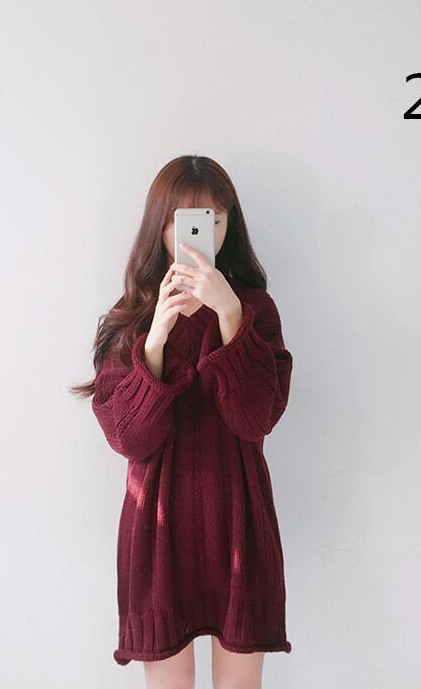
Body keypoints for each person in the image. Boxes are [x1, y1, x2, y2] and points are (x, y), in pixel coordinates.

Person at [71, 155, 293, 688]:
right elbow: (129, 438)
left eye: (214, 218)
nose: (201, 232)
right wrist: (155, 340)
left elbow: (255, 419)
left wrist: (231, 317)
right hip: (158, 529)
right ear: (161, 225)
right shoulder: (132, 317)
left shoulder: (255, 310)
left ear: (230, 225)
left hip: (238, 521)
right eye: (186, 219)